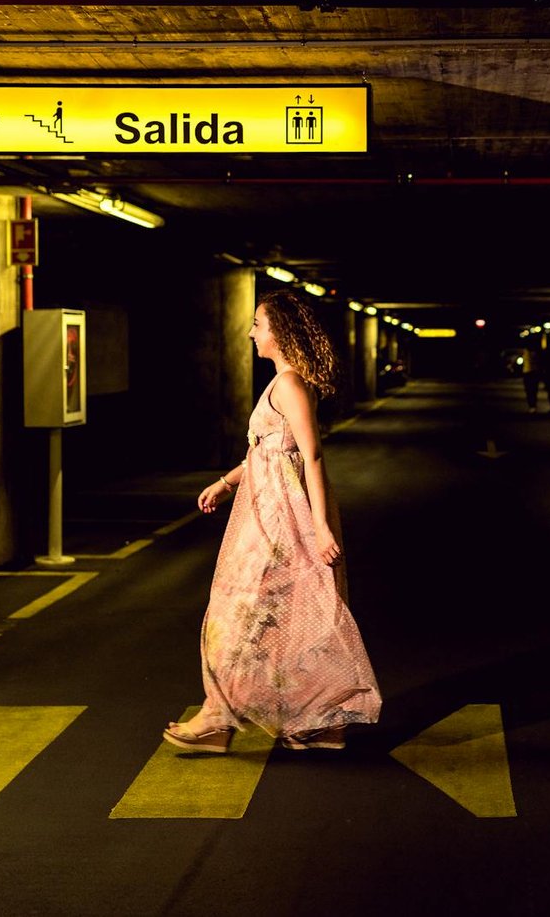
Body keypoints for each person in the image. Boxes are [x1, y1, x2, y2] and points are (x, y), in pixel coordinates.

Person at [164, 289, 381, 754]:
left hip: (284, 521)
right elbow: (266, 453)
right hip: (264, 514)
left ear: (278, 332)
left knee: (238, 612)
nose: (250, 332)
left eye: (257, 324)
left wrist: (321, 528)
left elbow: (311, 455)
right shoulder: (281, 384)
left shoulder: (289, 385)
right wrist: (225, 483)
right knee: (280, 618)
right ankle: (314, 723)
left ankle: (218, 719)